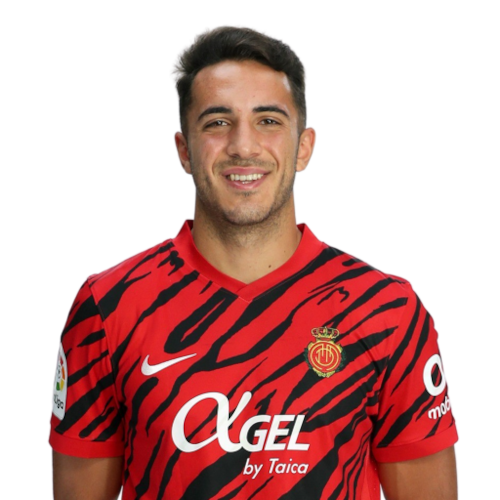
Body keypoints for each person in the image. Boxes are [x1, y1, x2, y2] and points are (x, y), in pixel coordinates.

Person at [48, 24, 459, 500]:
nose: (243, 146)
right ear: (183, 150)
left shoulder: (387, 310)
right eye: (217, 122)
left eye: (268, 120)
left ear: (304, 147)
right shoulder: (108, 306)